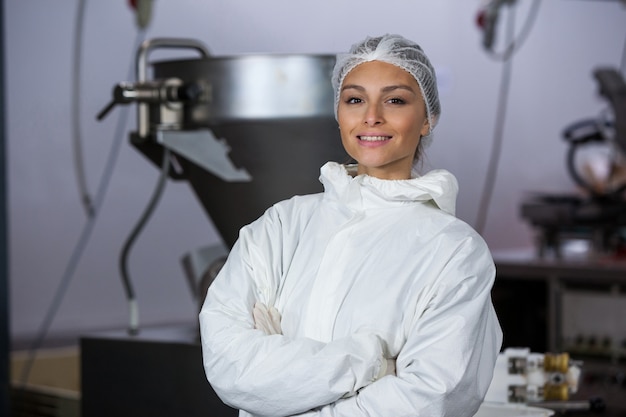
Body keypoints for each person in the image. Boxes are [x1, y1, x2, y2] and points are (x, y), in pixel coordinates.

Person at [199, 33, 503, 417]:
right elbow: (230, 366)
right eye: (355, 99)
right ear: (339, 114)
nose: (371, 116)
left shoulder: (455, 251)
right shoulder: (282, 225)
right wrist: (371, 362)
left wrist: (281, 389)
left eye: (395, 100)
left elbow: (432, 399)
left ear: (428, 118)